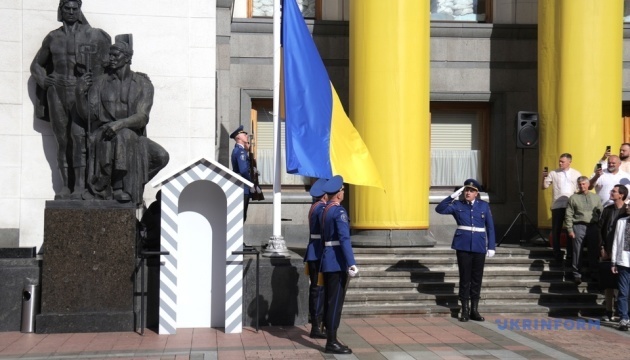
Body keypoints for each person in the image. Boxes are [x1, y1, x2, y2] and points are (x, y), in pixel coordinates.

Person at [75, 34, 170, 205]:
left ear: (127, 58)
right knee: (123, 136)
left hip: (132, 134)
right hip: (104, 134)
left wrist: (120, 124)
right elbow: (90, 114)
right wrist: (80, 94)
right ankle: (119, 187)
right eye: (110, 55)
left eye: (115, 55)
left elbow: (142, 116)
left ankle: (132, 180)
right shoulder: (100, 83)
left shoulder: (143, 83)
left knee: (161, 156)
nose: (110, 58)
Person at [30, 0, 111, 199]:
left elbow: (105, 62)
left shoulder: (91, 35)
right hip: (57, 91)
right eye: (68, 8)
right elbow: (36, 65)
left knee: (79, 138)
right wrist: (43, 80)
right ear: (61, 10)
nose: (72, 12)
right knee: (63, 141)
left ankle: (80, 187)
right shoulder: (52, 37)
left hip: (79, 90)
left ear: (80, 10)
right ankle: (66, 186)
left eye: (76, 8)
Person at [435, 179, 495, 322]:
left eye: (471, 191)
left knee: (477, 278)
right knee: (465, 278)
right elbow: (440, 209)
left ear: (476, 193)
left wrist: (491, 246)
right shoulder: (457, 205)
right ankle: (465, 310)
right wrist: (452, 196)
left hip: (479, 246)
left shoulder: (484, 206)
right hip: (463, 245)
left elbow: (490, 227)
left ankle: (475, 309)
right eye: (466, 190)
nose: (468, 192)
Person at [320, 175, 357, 354]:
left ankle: (330, 336)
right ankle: (332, 341)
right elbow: (344, 239)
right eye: (342, 190)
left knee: (329, 300)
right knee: (335, 302)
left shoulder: (326, 210)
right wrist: (351, 263)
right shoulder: (339, 212)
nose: (343, 192)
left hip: (328, 258)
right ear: (339, 194)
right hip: (336, 261)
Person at [542, 153, 581, 261]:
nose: (560, 163)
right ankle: (557, 252)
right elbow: (544, 186)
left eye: (562, 161)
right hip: (557, 205)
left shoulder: (576, 173)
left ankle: (570, 253)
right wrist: (543, 177)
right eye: (559, 161)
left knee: (570, 229)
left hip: (571, 205)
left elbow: (580, 188)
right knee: (556, 229)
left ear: (569, 162)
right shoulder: (554, 173)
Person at [565, 176, 603, 284]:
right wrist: (569, 229)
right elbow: (568, 214)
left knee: (593, 250)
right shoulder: (573, 198)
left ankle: (594, 273)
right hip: (578, 225)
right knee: (577, 250)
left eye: (584, 184)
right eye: (580, 184)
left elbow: (601, 212)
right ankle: (576, 274)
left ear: (588, 185)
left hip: (593, 226)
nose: (582, 186)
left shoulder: (596, 197)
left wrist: (600, 228)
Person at [599, 184, 628, 322]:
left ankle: (620, 311)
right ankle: (608, 311)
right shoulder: (607, 210)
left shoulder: (626, 212)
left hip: (621, 253)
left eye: (614, 191)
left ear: (621, 195)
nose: (611, 193)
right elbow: (600, 229)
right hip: (607, 250)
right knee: (608, 283)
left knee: (620, 284)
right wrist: (602, 248)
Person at [304, 178, 328, 339]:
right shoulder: (321, 209)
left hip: (314, 250)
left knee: (317, 289)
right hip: (318, 251)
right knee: (318, 290)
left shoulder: (315, 206)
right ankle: (316, 325)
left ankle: (316, 322)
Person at [610, 210, 630, 331]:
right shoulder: (621, 222)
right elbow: (616, 242)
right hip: (623, 261)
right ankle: (624, 317)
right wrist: (613, 261)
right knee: (623, 292)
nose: (627, 207)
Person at [230, 125, 253, 222]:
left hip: (242, 187)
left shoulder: (241, 150)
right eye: (244, 134)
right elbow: (243, 170)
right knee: (241, 217)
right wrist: (251, 183)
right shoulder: (240, 152)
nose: (246, 135)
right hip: (243, 187)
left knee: (242, 216)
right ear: (238, 137)